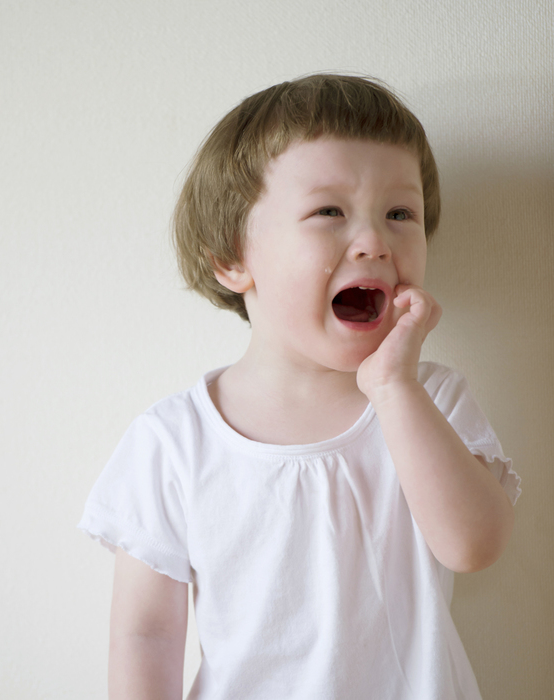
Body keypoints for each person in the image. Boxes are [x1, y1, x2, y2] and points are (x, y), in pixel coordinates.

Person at [78, 74, 521, 700]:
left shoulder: (432, 399)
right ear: (232, 258)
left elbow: (473, 546)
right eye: (329, 213)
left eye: (400, 214)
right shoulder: (173, 442)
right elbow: (144, 636)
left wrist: (394, 388)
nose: (374, 243)